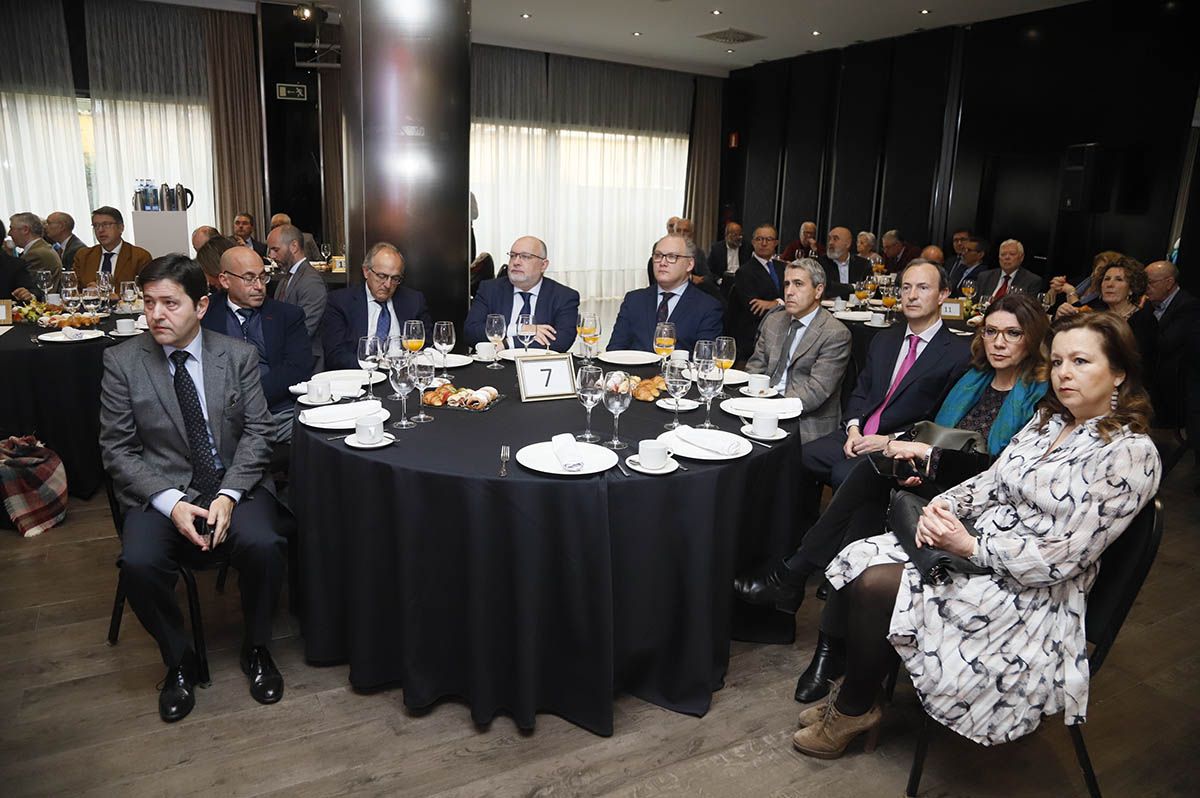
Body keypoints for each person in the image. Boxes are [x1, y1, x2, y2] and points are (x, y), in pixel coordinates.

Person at [790, 311, 1160, 758]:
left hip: (1032, 592)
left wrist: (969, 545)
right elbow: (993, 481)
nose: (1064, 373)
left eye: (1081, 362)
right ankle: (863, 691)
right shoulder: (1049, 420)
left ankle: (854, 707)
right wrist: (943, 506)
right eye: (1058, 361)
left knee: (876, 582)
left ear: (1118, 372)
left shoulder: (1130, 452)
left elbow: (1062, 557)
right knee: (862, 554)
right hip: (979, 547)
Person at [737, 293, 1050, 702]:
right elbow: (937, 435)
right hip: (934, 483)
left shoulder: (1039, 396)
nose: (999, 342)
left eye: (1013, 333)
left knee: (868, 494)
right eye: (991, 331)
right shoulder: (973, 378)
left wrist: (925, 458)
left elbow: (997, 472)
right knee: (870, 497)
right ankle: (822, 638)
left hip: (979, 506)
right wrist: (917, 464)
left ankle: (804, 602)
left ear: (1032, 338)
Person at [99, 254, 287, 723]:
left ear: (201, 306)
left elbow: (259, 432)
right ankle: (178, 658)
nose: (155, 315)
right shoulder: (123, 361)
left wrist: (229, 494)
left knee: (265, 543)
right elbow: (117, 450)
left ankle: (258, 647)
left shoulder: (236, 355)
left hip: (230, 483)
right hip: (160, 487)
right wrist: (171, 502)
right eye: (148, 303)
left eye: (169, 303)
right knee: (139, 563)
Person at [799, 260, 972, 489]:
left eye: (923, 288)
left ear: (943, 294)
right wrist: (853, 430)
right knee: (801, 457)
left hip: (903, 446)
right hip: (858, 434)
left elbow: (940, 420)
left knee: (844, 474)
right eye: (906, 287)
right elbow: (861, 390)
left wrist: (889, 441)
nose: (911, 295)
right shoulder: (884, 339)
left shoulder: (958, 354)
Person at [201, 246, 312, 442]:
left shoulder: (287, 315)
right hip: (221, 417)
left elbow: (297, 368)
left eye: (263, 277)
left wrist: (247, 399)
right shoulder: (205, 315)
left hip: (277, 413)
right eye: (249, 278)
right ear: (225, 280)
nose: (259, 286)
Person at [745, 259, 852, 443]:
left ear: (818, 290)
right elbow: (754, 368)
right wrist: (751, 402)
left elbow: (816, 392)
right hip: (760, 410)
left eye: (798, 284)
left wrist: (771, 408)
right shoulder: (774, 321)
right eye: (786, 284)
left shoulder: (835, 334)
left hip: (805, 422)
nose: (789, 292)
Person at [322, 242, 432, 370]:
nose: (388, 284)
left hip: (403, 375)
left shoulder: (414, 300)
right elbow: (335, 355)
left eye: (395, 278)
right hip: (361, 377)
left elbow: (426, 346)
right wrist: (375, 365)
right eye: (381, 276)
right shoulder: (340, 302)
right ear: (366, 272)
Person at [609, 234, 723, 354]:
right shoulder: (634, 300)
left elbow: (704, 361)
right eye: (658, 256)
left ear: (689, 264)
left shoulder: (708, 307)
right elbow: (614, 351)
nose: (662, 262)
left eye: (672, 257)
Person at [464, 236, 579, 353]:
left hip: (537, 366)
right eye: (513, 255)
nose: (516, 262)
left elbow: (562, 341)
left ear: (543, 265)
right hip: (494, 365)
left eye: (525, 257)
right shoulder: (489, 289)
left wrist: (508, 343)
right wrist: (520, 329)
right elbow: (470, 332)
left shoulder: (564, 296)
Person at [1056, 256, 1157, 386]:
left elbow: (1140, 368)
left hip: (1125, 388)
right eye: (1106, 279)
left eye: (1119, 279)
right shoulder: (1094, 312)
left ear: (1132, 288)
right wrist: (1060, 315)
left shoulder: (1144, 320)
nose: (1109, 284)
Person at [1143, 260, 1200, 429]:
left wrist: (1145, 318)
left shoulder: (1189, 306)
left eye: (1151, 282)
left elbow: (1166, 343)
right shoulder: (1149, 305)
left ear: (1169, 283)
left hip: (1175, 387)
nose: (1146, 287)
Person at [268, 223, 326, 370]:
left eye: (275, 249)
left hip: (305, 362)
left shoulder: (311, 281)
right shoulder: (286, 278)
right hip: (285, 357)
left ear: (294, 246)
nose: (271, 256)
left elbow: (305, 330)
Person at [730, 224, 786, 354]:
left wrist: (775, 303)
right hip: (756, 335)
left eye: (769, 239)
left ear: (776, 243)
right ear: (753, 242)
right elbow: (755, 308)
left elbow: (793, 296)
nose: (764, 243)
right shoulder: (744, 272)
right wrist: (783, 303)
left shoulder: (783, 268)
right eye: (759, 239)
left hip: (784, 328)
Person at [73, 207, 151, 287]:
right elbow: (73, 288)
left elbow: (145, 290)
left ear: (121, 228)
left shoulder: (139, 257)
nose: (100, 230)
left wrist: (116, 295)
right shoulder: (83, 256)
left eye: (106, 225)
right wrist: (87, 292)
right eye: (96, 225)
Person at [1047, 249, 1122, 309]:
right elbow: (1047, 306)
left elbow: (1080, 319)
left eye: (1106, 272)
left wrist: (1071, 293)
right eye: (1100, 269)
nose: (1101, 274)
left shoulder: (1106, 299)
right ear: (1094, 268)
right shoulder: (1076, 282)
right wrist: (1054, 290)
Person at [975, 239, 1042, 299]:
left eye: (1012, 254)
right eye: (1003, 254)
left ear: (1021, 257)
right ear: (999, 257)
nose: (1007, 257)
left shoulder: (1032, 281)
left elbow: (1027, 309)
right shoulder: (984, 277)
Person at [816, 226, 870, 299]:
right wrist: (853, 287)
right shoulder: (819, 263)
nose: (830, 242)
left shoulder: (863, 264)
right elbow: (827, 288)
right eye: (829, 239)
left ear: (848, 244)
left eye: (835, 239)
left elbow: (868, 289)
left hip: (856, 309)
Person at [8, 212, 62, 285]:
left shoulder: (35, 254)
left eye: (11, 228)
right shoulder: (42, 248)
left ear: (25, 230)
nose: (9, 233)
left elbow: (19, 285)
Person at [707, 221, 749, 289]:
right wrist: (718, 280)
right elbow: (708, 269)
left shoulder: (747, 248)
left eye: (740, 234)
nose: (739, 237)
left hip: (742, 282)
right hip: (723, 283)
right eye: (735, 235)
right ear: (727, 235)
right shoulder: (717, 249)